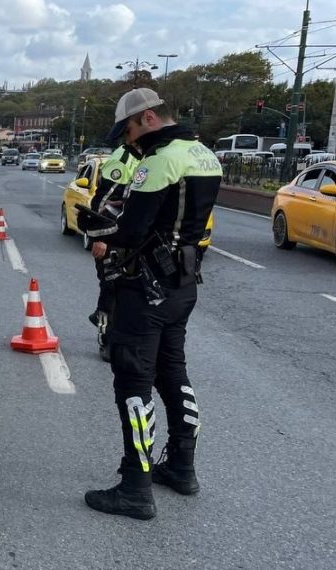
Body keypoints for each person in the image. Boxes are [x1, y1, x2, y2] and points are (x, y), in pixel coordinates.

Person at [75, 88, 222, 519]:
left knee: (133, 382)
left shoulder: (159, 161)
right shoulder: (204, 155)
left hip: (146, 287)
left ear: (148, 119)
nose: (129, 141)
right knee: (173, 371)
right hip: (183, 284)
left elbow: (131, 230)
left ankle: (135, 488)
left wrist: (93, 227)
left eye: (129, 131)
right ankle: (181, 467)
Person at [87, 140, 142, 362]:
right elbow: (101, 202)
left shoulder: (152, 157)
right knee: (112, 288)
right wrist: (100, 238)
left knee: (132, 291)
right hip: (112, 237)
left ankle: (122, 334)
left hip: (135, 237)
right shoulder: (123, 159)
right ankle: (106, 339)